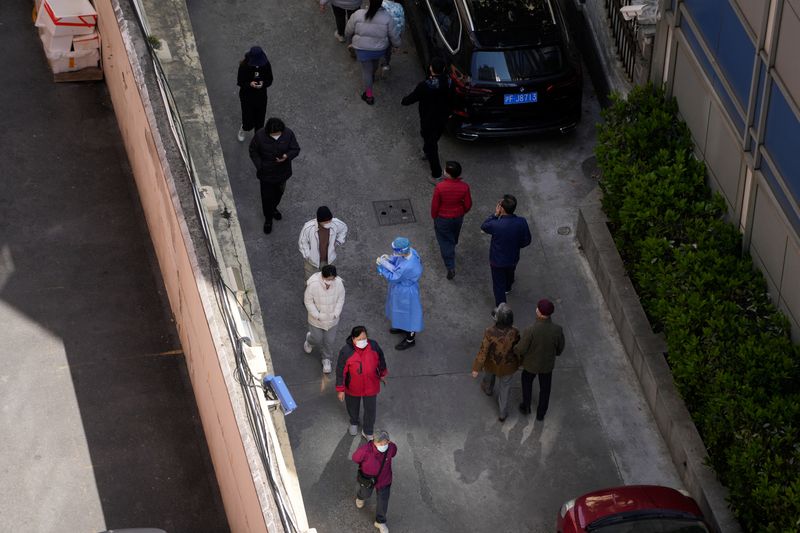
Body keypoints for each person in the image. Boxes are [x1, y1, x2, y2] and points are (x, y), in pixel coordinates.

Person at [401, 57, 453, 184]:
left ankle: (436, 175)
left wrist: (404, 101)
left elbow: (412, 98)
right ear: (444, 69)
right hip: (443, 118)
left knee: (431, 145)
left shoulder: (425, 86)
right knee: (432, 138)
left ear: (431, 69)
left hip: (428, 118)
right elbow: (453, 98)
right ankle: (426, 151)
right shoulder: (449, 82)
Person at [514, 299, 565, 421]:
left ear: (540, 312)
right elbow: (560, 347)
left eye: (538, 308)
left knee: (527, 382)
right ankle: (541, 413)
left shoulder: (531, 330)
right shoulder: (557, 330)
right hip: (547, 365)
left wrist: (515, 350)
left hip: (531, 364)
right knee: (545, 388)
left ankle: (526, 406)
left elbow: (520, 349)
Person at [249, 117, 301, 234]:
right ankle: (268, 219)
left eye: (278, 134)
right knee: (266, 197)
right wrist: (260, 166)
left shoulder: (288, 133)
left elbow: (295, 149)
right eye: (273, 135)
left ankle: (273, 209)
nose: (276, 136)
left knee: (279, 194)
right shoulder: (260, 135)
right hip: (266, 174)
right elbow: (253, 151)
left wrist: (286, 156)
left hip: (282, 173)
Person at [471, 303, 520, 422]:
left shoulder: (489, 332)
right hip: (508, 365)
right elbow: (518, 347)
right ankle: (502, 413)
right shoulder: (515, 331)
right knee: (505, 388)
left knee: (489, 377)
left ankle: (488, 389)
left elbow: (483, 350)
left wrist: (476, 368)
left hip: (492, 362)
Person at [480, 194, 532, 308]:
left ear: (502, 208)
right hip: (513, 257)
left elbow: (484, 226)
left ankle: (501, 309)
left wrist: (495, 215)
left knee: (498, 286)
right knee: (510, 272)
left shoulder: (495, 224)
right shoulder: (521, 221)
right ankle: (508, 287)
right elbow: (527, 240)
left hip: (497, 261)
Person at [345, 0, 401, 105]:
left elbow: (348, 31)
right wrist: (397, 45)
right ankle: (373, 76)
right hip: (379, 50)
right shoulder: (387, 18)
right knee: (375, 63)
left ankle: (369, 95)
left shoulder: (358, 14)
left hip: (362, 49)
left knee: (366, 71)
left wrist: (349, 41)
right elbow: (394, 35)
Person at [336, 326, 388, 440]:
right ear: (353, 339)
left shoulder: (373, 346)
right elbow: (340, 371)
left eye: (364, 338)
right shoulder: (346, 351)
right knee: (352, 406)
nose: (362, 341)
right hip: (352, 386)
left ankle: (368, 430)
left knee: (370, 409)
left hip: (371, 385)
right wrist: (340, 389)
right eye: (359, 339)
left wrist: (383, 373)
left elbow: (381, 360)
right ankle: (354, 422)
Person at [376, 237, 423, 350]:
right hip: (402, 289)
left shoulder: (407, 266)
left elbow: (393, 277)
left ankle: (410, 339)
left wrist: (382, 267)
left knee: (410, 314)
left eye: (395, 251)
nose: (394, 253)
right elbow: (398, 260)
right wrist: (390, 259)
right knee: (401, 311)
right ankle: (402, 325)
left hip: (406, 292)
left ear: (401, 251)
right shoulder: (411, 252)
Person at [430, 160, 471, 279]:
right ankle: (452, 246)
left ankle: (450, 266)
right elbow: (468, 204)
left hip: (442, 218)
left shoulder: (440, 187)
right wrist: (461, 211)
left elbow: (435, 205)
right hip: (458, 217)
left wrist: (434, 216)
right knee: (453, 235)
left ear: (448, 174)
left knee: (445, 241)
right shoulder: (464, 187)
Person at [352, 429, 397, 533]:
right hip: (368, 479)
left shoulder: (391, 447)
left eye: (384, 443)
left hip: (385, 480)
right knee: (365, 494)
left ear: (388, 442)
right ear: (373, 441)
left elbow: (393, 453)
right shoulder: (365, 450)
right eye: (379, 443)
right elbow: (355, 458)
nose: (382, 445)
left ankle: (380, 521)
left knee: (383, 502)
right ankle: (360, 497)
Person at [304, 265, 346, 374]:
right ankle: (309, 340)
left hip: (332, 320)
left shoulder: (339, 284)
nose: (330, 281)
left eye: (332, 279)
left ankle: (327, 359)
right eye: (328, 279)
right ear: (323, 276)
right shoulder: (313, 285)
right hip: (316, 320)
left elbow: (340, 299)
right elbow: (308, 301)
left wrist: (336, 313)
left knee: (329, 341)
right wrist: (317, 315)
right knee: (317, 339)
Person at [298, 206, 349, 280]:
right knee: (310, 280)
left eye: (330, 220)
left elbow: (344, 228)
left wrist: (339, 241)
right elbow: (302, 242)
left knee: (328, 279)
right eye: (325, 222)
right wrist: (308, 256)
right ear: (319, 221)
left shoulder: (336, 223)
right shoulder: (308, 228)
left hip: (329, 260)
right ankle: (310, 291)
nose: (328, 223)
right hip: (312, 262)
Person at [236, 46, 273, 142]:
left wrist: (263, 84)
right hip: (247, 97)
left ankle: (258, 137)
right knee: (248, 120)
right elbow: (240, 82)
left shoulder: (265, 65)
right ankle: (244, 128)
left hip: (261, 96)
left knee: (260, 121)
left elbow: (270, 79)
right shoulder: (244, 66)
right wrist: (250, 84)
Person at [380, 0, 404, 73]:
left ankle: (376, 62)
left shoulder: (380, 4)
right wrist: (400, 35)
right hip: (393, 33)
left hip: (381, 32)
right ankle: (385, 65)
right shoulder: (399, 6)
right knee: (388, 50)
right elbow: (402, 23)